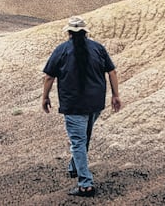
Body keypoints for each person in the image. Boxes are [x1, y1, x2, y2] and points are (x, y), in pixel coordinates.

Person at [41, 15, 121, 198]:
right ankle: (74, 167)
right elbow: (112, 72)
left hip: (73, 105)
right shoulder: (98, 48)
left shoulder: (62, 50)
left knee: (78, 141)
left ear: (69, 32)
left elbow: (49, 76)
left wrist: (45, 97)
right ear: (85, 32)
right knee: (83, 138)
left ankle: (85, 185)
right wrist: (115, 95)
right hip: (95, 103)